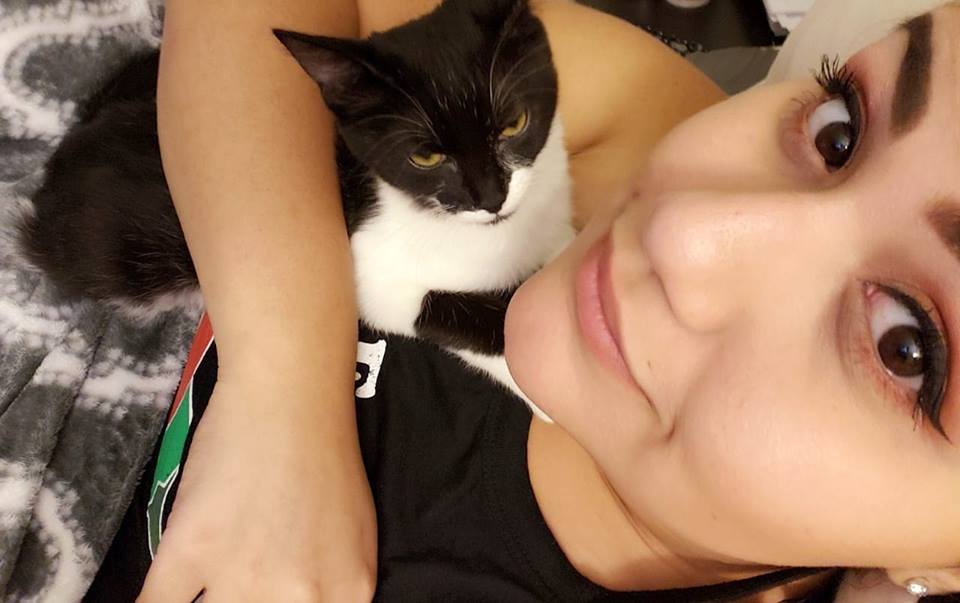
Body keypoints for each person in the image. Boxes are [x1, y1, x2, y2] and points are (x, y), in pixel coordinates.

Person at [99, 0, 960, 601]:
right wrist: (284, 389)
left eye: (905, 346)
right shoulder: (644, 120)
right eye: (837, 130)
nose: (684, 230)